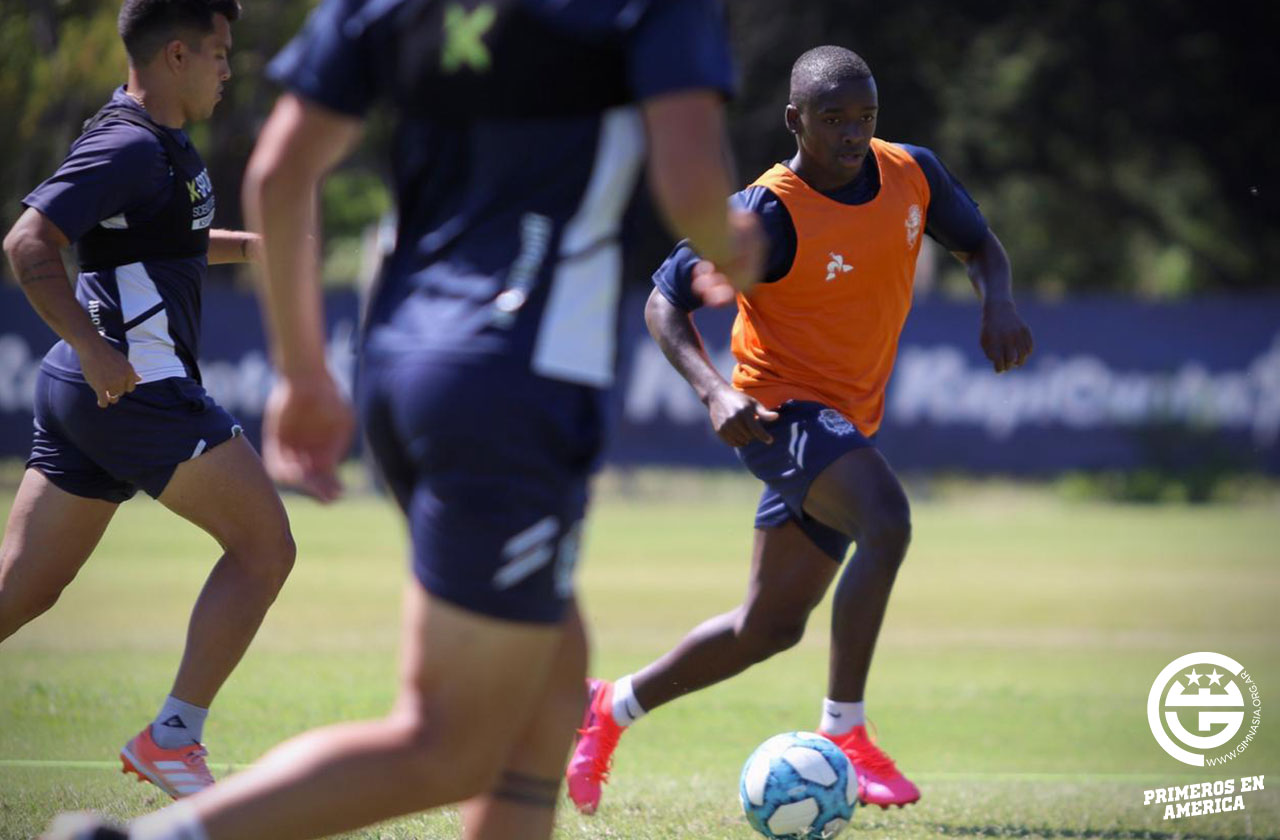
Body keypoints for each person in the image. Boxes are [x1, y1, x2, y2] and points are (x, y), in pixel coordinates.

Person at [43, 1, 760, 838]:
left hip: (402, 369)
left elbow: (279, 173)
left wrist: (305, 377)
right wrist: (733, 241)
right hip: (516, 383)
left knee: (551, 684)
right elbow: (691, 188)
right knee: (451, 743)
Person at [566, 45, 1035, 814]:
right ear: (796, 121)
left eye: (865, 117)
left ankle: (608, 708)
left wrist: (999, 301)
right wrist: (715, 391)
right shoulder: (766, 214)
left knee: (768, 627)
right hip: (779, 412)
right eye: (834, 119)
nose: (854, 134)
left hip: (847, 421)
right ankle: (846, 733)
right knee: (887, 521)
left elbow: (978, 244)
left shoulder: (911, 171)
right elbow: (663, 300)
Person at [1, 0, 297, 802]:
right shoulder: (128, 144)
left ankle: (173, 740)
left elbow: (170, 236)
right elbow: (28, 242)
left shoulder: (158, 141)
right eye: (221, 54)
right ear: (176, 55)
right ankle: (174, 740)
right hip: (136, 387)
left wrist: (265, 249)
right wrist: (99, 351)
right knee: (267, 547)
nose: (229, 70)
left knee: (22, 590)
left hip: (91, 389)